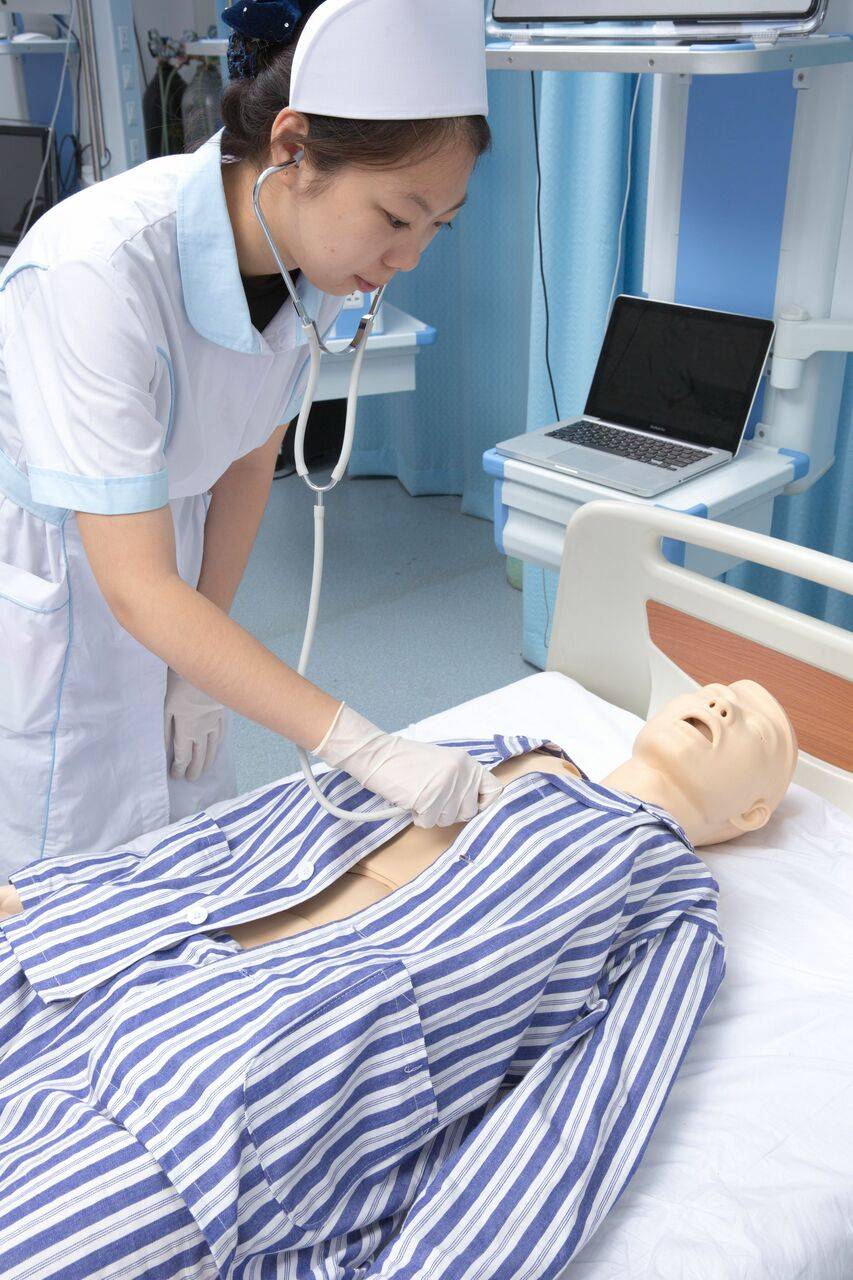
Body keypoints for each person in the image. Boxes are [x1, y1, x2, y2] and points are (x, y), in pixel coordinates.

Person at [0, 681, 796, 1278]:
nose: (721, 704)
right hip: (95, 964)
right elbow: (254, 833)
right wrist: (60, 894)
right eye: (714, 690)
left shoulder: (666, 893)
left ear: (753, 813)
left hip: (235, 1090)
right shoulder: (499, 750)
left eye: (755, 720)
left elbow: (580, 1114)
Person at [0, 0, 499, 877]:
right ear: (292, 145)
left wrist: (201, 652)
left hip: (170, 562)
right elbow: (136, 586)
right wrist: (367, 749)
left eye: (436, 227)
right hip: (61, 576)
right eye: (396, 217)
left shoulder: (315, 259)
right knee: (59, 885)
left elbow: (243, 455)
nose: (409, 257)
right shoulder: (96, 271)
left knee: (189, 853)